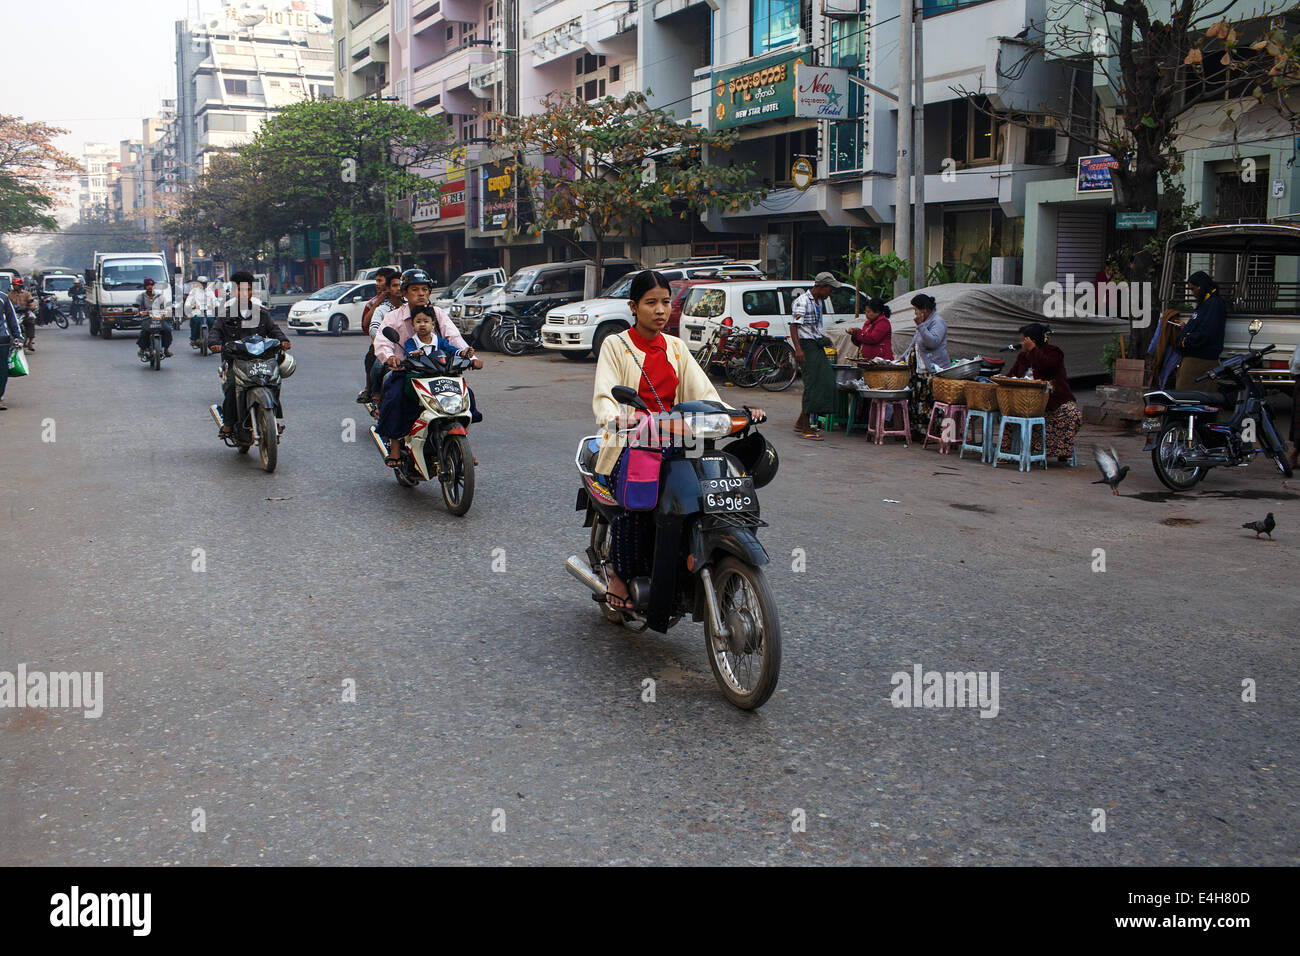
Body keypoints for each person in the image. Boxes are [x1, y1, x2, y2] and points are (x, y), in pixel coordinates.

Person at [592, 270, 765, 611]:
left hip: (679, 441)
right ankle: (619, 576)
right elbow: (604, 396)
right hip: (632, 443)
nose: (660, 310)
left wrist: (734, 413)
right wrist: (620, 417)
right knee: (637, 505)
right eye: (650, 302)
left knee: (714, 494)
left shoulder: (676, 347)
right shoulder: (616, 344)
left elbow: (704, 393)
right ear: (633, 306)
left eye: (665, 302)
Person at [376, 308, 479, 466]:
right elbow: (403, 351)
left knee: (467, 394)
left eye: (426, 322)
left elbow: (454, 346)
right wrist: (399, 356)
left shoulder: (440, 338)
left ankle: (463, 447)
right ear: (413, 324)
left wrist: (467, 354)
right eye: (418, 322)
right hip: (414, 375)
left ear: (433, 324)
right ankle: (395, 447)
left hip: (439, 377)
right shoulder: (410, 341)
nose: (422, 325)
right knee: (396, 398)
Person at [208, 271, 291, 438]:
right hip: (236, 361)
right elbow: (215, 332)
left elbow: (274, 329)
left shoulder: (261, 313)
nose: (245, 293)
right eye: (240, 289)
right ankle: (229, 423)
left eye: (248, 289)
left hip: (260, 360)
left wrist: (283, 340)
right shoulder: (226, 313)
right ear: (234, 290)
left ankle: (272, 418)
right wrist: (214, 344)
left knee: (274, 381)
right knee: (232, 386)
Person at [1002, 322, 1082, 463]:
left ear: (1031, 340)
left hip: (1054, 400)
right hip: (1027, 402)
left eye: (1024, 340)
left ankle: (1058, 450)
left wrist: (1033, 350)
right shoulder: (1022, 357)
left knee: (1072, 413)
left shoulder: (1054, 352)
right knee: (1010, 411)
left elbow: (1047, 365)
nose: (1021, 343)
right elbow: (1012, 375)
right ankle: (1010, 451)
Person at [789, 272, 839, 440]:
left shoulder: (819, 302)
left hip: (815, 342)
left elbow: (813, 327)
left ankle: (801, 420)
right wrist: (798, 349)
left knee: (825, 381)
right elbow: (794, 326)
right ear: (822, 287)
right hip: (806, 345)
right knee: (812, 384)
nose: (830, 294)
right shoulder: (802, 302)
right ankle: (805, 426)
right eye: (830, 290)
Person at [1174, 271, 1227, 390]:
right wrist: (1186, 328)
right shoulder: (1205, 304)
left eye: (1193, 289)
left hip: (1201, 359)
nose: (1192, 293)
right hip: (1193, 358)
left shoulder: (1214, 304)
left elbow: (1207, 331)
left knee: (1188, 395)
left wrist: (1186, 340)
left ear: (1201, 287)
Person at [357, 267, 400, 404]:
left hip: (406, 346)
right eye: (394, 286)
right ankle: (372, 391)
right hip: (381, 344)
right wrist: (379, 301)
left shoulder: (408, 305)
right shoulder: (379, 305)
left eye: (379, 280)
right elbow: (367, 324)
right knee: (375, 364)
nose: (377, 283)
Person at [907, 293, 950, 371]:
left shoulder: (937, 321)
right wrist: (901, 359)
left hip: (938, 368)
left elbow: (932, 343)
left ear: (924, 309)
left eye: (916, 309)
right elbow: (913, 344)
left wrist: (920, 326)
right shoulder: (924, 323)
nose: (915, 313)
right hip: (923, 368)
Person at [133, 278, 173, 358]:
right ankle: (142, 349)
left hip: (159, 318)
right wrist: (135, 311)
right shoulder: (141, 296)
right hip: (147, 318)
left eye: (151, 285)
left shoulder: (159, 296)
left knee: (167, 330)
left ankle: (166, 349)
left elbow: (166, 306)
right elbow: (135, 306)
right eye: (148, 285)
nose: (150, 287)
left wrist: (168, 310)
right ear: (145, 287)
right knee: (145, 332)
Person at [0, 289, 23, 410]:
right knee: (2, 368)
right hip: (2, 339)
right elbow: (12, 318)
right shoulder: (3, 297)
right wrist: (18, 337)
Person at [185, 276, 217, 349]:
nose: (203, 285)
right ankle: (194, 338)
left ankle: (212, 339)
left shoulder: (210, 292)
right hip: (197, 312)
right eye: (202, 283)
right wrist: (191, 306)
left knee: (212, 322)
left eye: (205, 283)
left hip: (208, 312)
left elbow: (215, 301)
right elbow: (188, 302)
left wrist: (214, 305)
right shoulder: (194, 291)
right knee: (196, 321)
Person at [10, 278, 34, 352]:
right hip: (14, 314)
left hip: (24, 313)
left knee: (30, 322)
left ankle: (30, 342)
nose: (14, 286)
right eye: (13, 285)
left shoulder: (26, 294)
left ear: (20, 285)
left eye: (15, 285)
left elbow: (31, 303)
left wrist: (30, 307)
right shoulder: (10, 294)